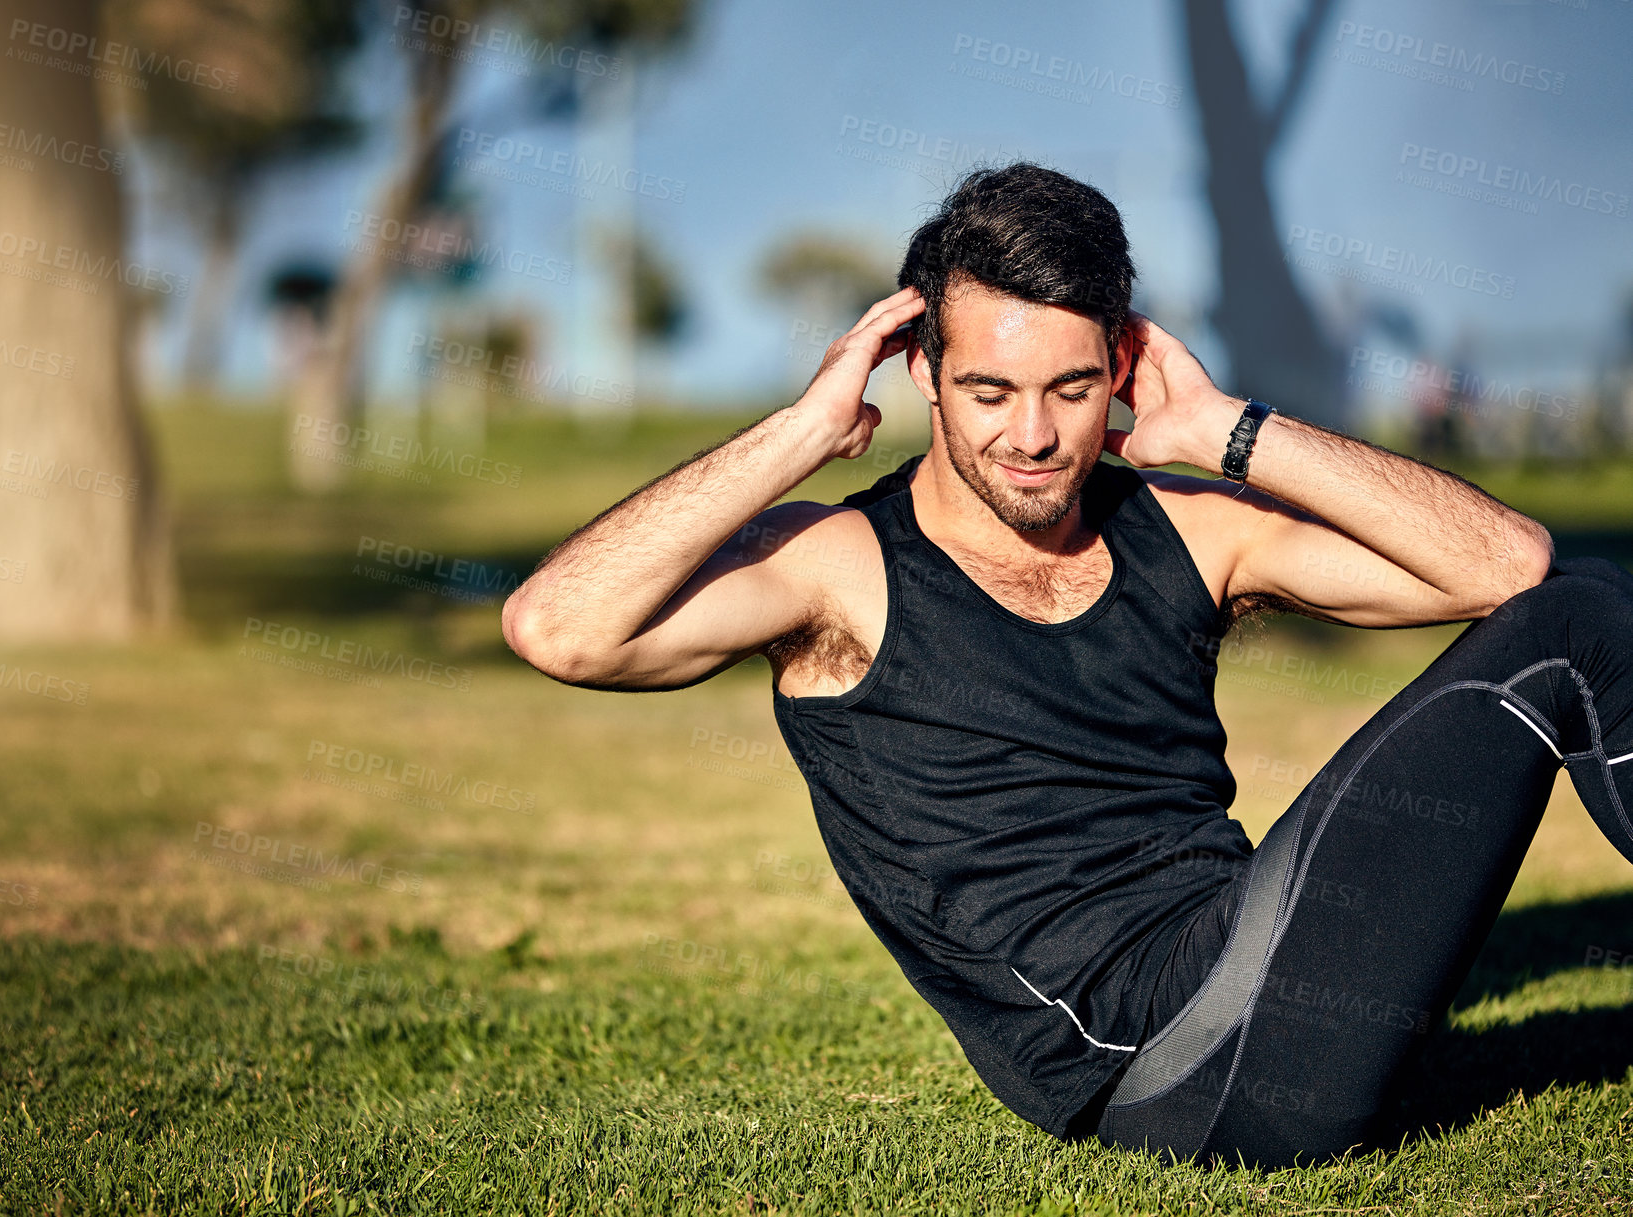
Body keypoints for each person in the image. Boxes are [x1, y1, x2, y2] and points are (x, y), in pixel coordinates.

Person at [501, 163, 1633, 1169]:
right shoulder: (839, 568)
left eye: (1072, 388)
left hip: (1257, 967)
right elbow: (560, 627)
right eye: (989, 391)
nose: (1033, 436)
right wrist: (799, 431)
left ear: (1122, 365)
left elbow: (1502, 565)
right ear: (921, 374)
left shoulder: (1185, 528)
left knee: (1578, 606)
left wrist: (1226, 430)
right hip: (1160, 1068)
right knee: (1580, 621)